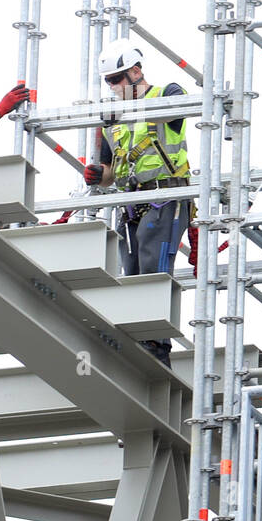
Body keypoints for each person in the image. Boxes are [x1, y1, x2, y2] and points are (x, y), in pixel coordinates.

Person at [83, 41, 191, 366]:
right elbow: (108, 172)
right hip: (132, 201)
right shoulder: (112, 117)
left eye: (117, 79)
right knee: (130, 271)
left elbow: (180, 106)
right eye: (108, 82)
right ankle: (139, 343)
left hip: (165, 195)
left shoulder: (167, 93)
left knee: (151, 264)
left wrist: (128, 106)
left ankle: (158, 348)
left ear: (135, 71)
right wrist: (95, 175)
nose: (113, 87)